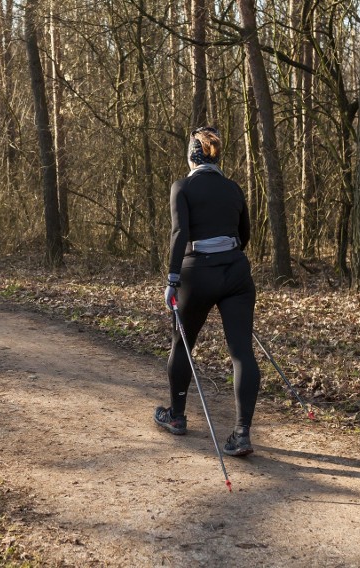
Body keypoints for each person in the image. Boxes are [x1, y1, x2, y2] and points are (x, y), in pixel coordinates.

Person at [154, 126, 261, 457]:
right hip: (235, 272)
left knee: (182, 344)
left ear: (191, 156)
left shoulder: (182, 186)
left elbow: (179, 232)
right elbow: (245, 234)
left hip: (196, 272)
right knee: (241, 351)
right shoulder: (234, 188)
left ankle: (176, 416)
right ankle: (241, 434)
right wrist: (228, 255)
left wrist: (172, 279)